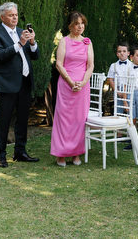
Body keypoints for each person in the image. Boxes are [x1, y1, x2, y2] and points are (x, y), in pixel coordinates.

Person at [0, 2, 40, 167]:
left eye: (16, 14)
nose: (15, 17)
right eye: (11, 15)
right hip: (7, 84)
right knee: (3, 121)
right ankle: (0, 155)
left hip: (24, 82)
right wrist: (20, 44)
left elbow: (35, 56)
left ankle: (20, 152)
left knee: (23, 120)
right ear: (3, 17)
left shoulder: (20, 32)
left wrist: (32, 43)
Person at [51, 11, 94, 167]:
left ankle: (76, 154)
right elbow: (59, 64)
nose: (80, 26)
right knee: (64, 119)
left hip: (82, 87)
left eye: (82, 23)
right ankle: (61, 155)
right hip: (66, 85)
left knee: (78, 120)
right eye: (77, 23)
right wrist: (70, 82)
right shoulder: (64, 41)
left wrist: (82, 83)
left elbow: (91, 65)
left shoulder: (87, 42)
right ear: (70, 25)